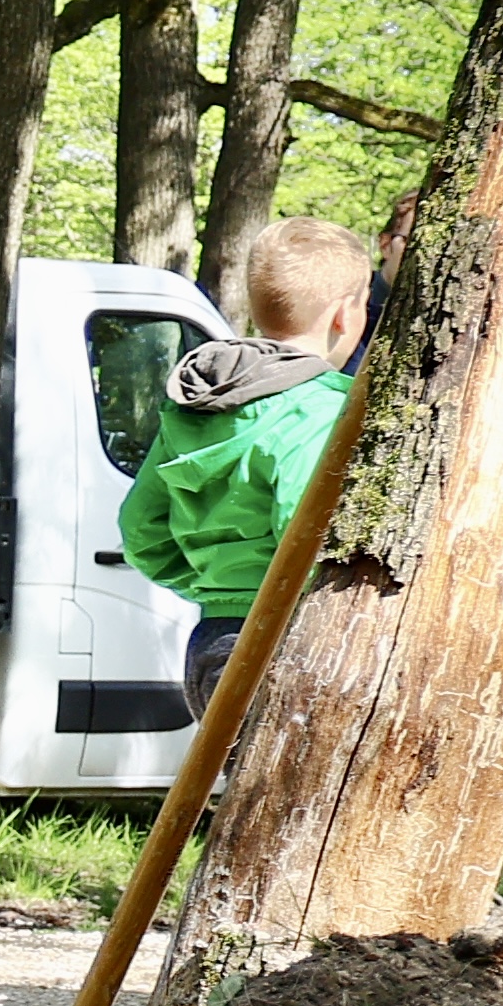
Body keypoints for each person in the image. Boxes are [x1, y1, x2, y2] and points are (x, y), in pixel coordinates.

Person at [126, 219, 372, 717]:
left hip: (211, 640)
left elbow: (140, 530)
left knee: (246, 794)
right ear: (345, 314)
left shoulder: (200, 401)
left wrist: (217, 584)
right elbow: (304, 534)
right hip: (287, 638)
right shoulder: (320, 411)